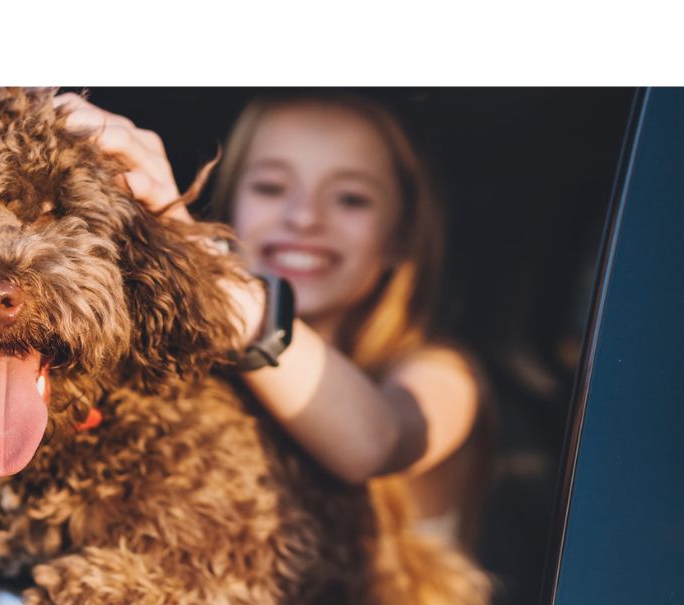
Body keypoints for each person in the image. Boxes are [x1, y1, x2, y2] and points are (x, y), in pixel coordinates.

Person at [55, 91, 494, 551]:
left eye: (351, 199)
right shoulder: (192, 375)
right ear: (232, 207)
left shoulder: (443, 375)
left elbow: (374, 443)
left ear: (402, 236)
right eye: (270, 187)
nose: (303, 218)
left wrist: (198, 261)